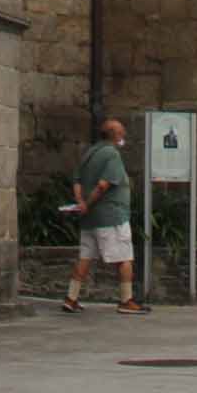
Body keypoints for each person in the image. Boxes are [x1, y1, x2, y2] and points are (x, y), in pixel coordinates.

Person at [62, 116, 147, 314]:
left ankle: (71, 298)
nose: (124, 134)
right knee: (124, 257)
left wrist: (81, 203)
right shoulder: (112, 155)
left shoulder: (89, 153)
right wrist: (88, 203)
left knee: (85, 256)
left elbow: (77, 180)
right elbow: (103, 185)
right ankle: (126, 301)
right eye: (121, 132)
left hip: (90, 219)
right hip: (111, 216)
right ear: (115, 135)